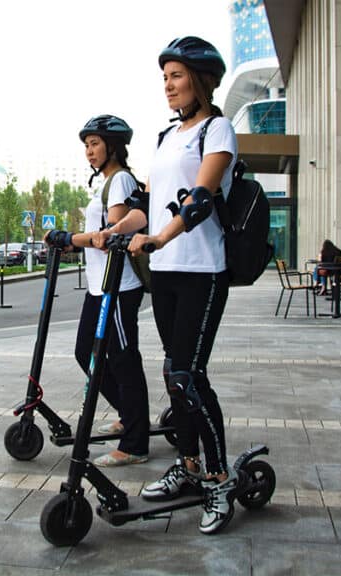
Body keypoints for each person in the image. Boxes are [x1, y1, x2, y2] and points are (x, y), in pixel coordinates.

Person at [109, 35, 238, 534]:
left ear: (201, 80)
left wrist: (160, 236)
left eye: (177, 75)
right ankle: (187, 469)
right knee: (172, 375)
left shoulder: (218, 129)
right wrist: (117, 229)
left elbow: (201, 196)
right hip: (164, 273)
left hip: (202, 269)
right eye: (164, 77)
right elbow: (149, 200)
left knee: (189, 375)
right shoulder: (166, 138)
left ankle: (220, 478)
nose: (168, 85)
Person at [44, 114, 150, 467]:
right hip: (99, 287)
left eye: (94, 144)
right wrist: (72, 242)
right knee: (84, 352)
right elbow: (96, 238)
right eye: (86, 145)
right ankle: (128, 412)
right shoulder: (106, 182)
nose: (89, 151)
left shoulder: (119, 181)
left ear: (113, 147)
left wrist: (71, 238)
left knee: (123, 358)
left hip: (118, 287)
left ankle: (135, 442)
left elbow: (111, 238)